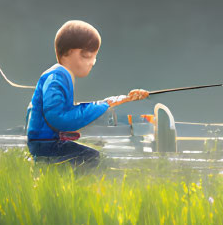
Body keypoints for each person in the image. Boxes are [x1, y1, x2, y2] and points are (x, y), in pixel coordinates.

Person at [25, 20, 149, 168]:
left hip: (45, 142)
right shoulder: (57, 78)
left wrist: (118, 101)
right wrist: (101, 106)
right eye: (88, 56)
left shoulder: (59, 75)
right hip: (45, 145)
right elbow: (58, 118)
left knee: (93, 156)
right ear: (69, 52)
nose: (93, 62)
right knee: (94, 159)